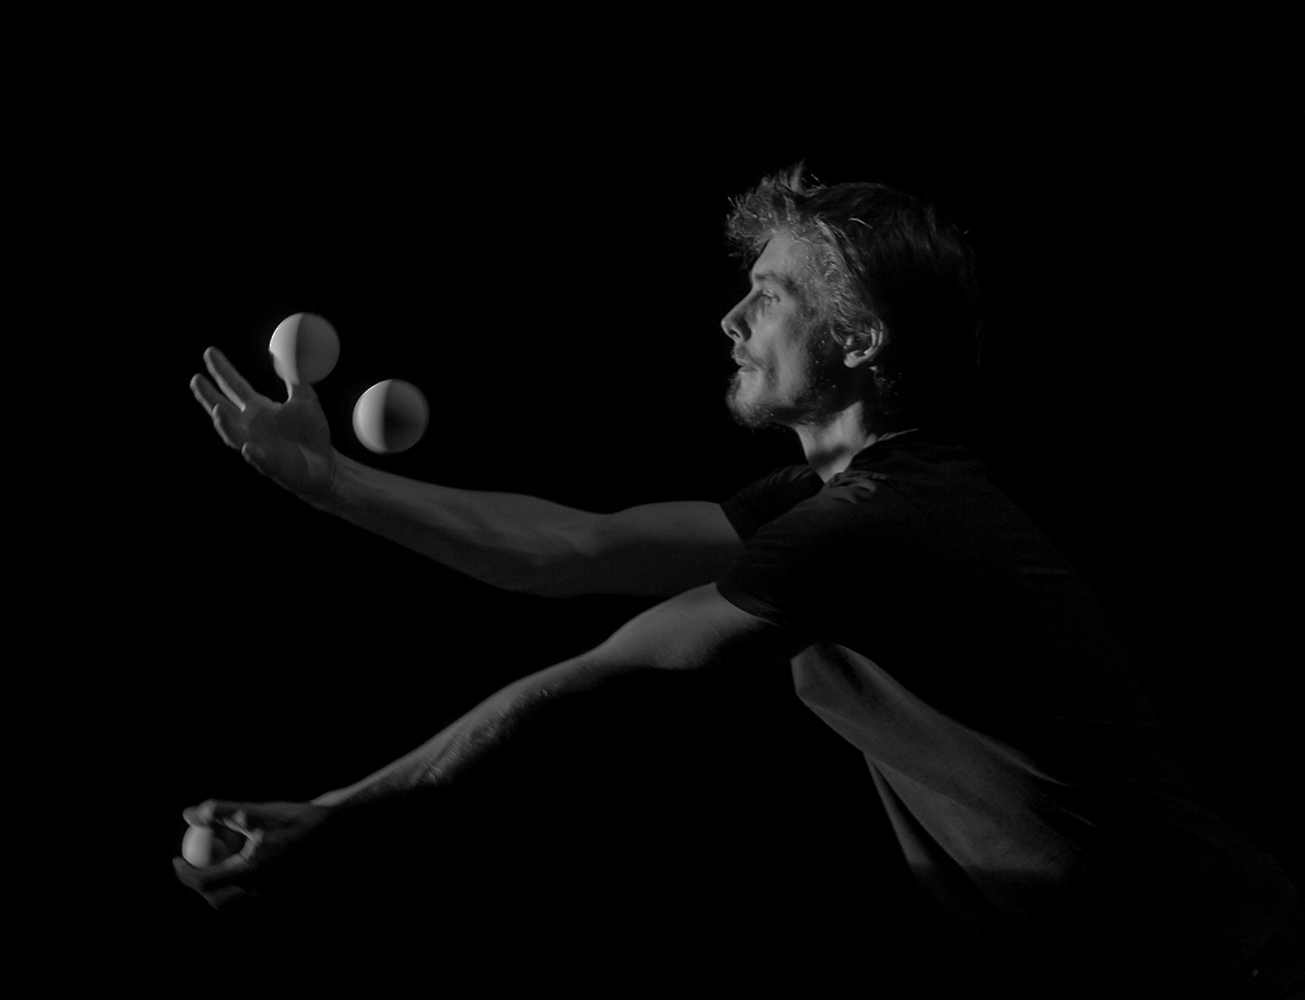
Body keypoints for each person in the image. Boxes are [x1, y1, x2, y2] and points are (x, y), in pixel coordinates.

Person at [177, 165, 1302, 996]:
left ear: (860, 338)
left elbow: (590, 687)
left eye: (770, 294)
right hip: (1121, 974)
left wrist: (337, 817)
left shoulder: (881, 524)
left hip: (1206, 968)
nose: (731, 317)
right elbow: (577, 550)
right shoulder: (835, 498)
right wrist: (329, 482)